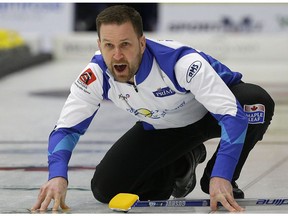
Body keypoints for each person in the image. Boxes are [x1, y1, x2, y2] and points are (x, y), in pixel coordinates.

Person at [31, 5, 275, 212]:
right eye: (109, 45)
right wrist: (57, 175)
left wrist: (221, 174)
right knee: (106, 188)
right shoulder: (96, 75)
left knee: (256, 102)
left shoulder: (179, 62)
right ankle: (183, 163)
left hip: (210, 113)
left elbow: (232, 116)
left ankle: (221, 179)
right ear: (99, 44)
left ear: (142, 43)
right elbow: (65, 129)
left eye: (125, 44)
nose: (117, 55)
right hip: (163, 127)